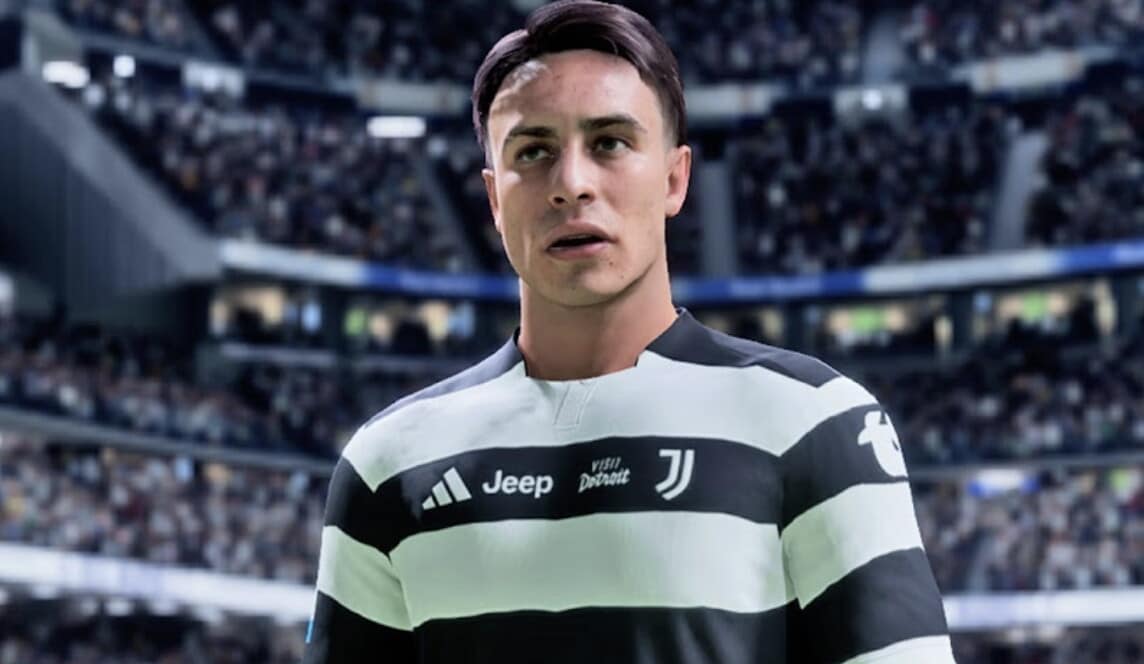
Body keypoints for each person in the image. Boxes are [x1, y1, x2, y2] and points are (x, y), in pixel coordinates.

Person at [303, 1, 955, 662]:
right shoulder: (387, 462)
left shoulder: (814, 422)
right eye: (533, 151)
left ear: (674, 179)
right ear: (495, 199)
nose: (571, 184)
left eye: (610, 142)